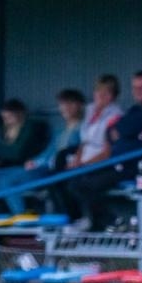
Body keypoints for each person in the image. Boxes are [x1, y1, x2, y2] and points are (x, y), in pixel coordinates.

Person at [62, 70, 142, 232]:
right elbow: (112, 132)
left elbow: (123, 131)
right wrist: (126, 132)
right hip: (120, 163)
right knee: (75, 181)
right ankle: (95, 223)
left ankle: (114, 222)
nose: (139, 91)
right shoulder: (135, 110)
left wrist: (124, 133)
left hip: (138, 167)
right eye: (135, 88)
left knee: (84, 184)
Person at [0, 88, 87, 215]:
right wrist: (36, 161)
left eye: (70, 103)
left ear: (80, 105)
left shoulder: (83, 128)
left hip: (56, 171)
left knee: (7, 181)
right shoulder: (60, 131)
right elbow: (49, 151)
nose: (65, 108)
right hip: (43, 167)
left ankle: (22, 216)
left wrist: (40, 163)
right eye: (62, 104)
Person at [50, 76, 123, 221]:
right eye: (98, 92)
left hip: (101, 161)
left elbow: (107, 151)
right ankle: (68, 220)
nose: (101, 97)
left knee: (75, 183)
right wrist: (77, 159)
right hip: (85, 155)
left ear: (113, 96)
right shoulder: (90, 110)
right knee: (56, 176)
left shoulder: (116, 115)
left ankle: (85, 220)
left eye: (106, 93)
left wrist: (83, 165)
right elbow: (84, 141)